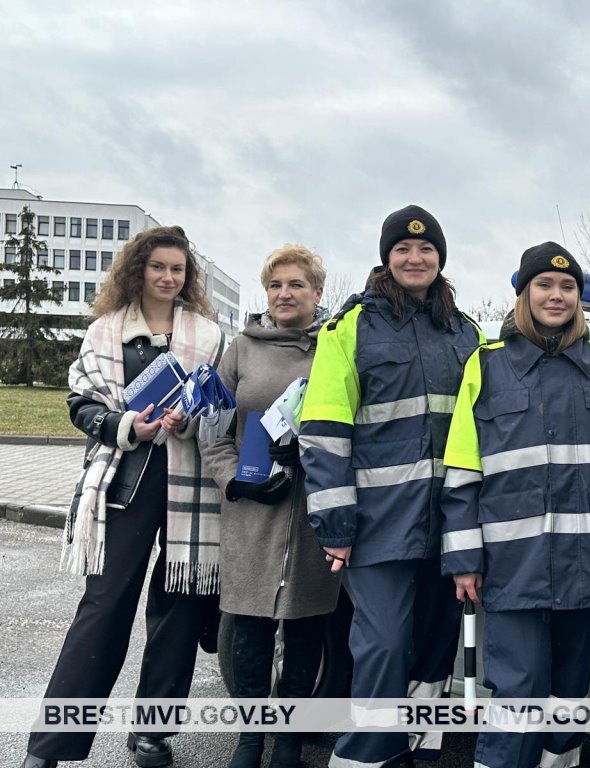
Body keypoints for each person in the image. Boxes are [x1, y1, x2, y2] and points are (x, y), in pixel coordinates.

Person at [21, 226, 225, 768]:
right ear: (138, 270)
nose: (168, 277)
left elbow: (221, 408)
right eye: (158, 267)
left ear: (188, 276)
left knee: (179, 610)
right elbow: (80, 404)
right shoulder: (105, 331)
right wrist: (126, 424)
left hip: (192, 487)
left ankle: (152, 733)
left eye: (177, 269)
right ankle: (52, 745)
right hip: (124, 482)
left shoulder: (209, 334)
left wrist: (193, 416)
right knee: (104, 608)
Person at [298, 205, 484, 768]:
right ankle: (364, 758)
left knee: (434, 646)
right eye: (403, 248)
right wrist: (335, 524)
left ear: (440, 258)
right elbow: (323, 430)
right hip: (378, 522)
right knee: (382, 644)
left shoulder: (466, 332)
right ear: (386, 257)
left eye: (426, 249)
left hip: (449, 520)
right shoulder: (349, 328)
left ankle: (417, 751)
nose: (415, 257)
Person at [441, 242, 590, 768]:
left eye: (567, 286)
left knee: (570, 693)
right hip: (511, 564)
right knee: (516, 692)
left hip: (585, 561)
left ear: (580, 297)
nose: (557, 295)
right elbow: (462, 472)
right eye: (544, 285)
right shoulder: (486, 365)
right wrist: (463, 560)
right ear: (523, 295)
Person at [200, 245, 348, 768]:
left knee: (307, 630)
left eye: (296, 285)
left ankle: (287, 738)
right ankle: (249, 737)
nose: (284, 294)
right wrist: (233, 482)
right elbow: (212, 429)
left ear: (317, 292)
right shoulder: (240, 349)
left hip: (313, 512)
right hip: (251, 511)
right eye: (275, 285)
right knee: (249, 631)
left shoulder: (335, 349)